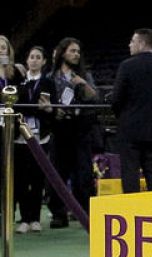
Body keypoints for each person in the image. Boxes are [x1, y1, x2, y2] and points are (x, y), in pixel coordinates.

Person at [111, 28, 152, 194]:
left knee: (130, 174)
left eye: (132, 41)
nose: (129, 44)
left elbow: (116, 99)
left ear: (141, 43)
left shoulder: (126, 66)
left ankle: (132, 213)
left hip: (130, 130)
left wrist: (124, 116)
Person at [48, 37, 100, 227]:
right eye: (72, 51)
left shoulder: (85, 75)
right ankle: (58, 214)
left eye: (78, 51)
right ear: (62, 53)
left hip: (81, 130)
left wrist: (82, 84)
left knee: (83, 175)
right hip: (59, 130)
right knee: (57, 173)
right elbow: (44, 103)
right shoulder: (50, 77)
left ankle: (86, 213)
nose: (76, 54)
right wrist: (55, 111)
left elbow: (95, 98)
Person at [14, 45, 56, 233]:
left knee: (38, 178)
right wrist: (35, 107)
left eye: (38, 57)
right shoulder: (19, 82)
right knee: (21, 179)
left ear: (44, 61)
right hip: (20, 137)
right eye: (31, 57)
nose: (34, 60)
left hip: (41, 137)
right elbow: (16, 108)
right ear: (27, 60)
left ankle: (35, 218)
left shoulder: (48, 83)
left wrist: (47, 109)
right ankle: (24, 218)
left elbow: (50, 109)